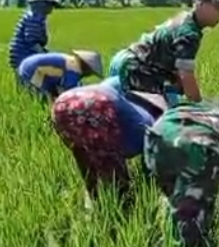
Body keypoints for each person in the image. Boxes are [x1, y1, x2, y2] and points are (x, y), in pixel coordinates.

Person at [143, 99, 219, 247]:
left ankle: (165, 237)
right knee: (190, 239)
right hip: (199, 147)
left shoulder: (184, 109)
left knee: (174, 200)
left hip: (156, 138)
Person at [50, 77, 168, 207]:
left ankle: (93, 195)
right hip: (98, 105)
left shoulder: (131, 105)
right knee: (111, 164)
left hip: (62, 103)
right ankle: (122, 204)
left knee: (81, 151)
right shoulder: (149, 127)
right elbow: (148, 167)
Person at [108, 0, 219, 107]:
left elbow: (178, 71)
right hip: (136, 68)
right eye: (217, 8)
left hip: (123, 60)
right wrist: (199, 108)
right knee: (152, 119)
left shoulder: (183, 18)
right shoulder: (189, 33)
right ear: (200, 4)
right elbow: (186, 74)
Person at [8, 0, 61, 73]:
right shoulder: (35, 18)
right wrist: (45, 55)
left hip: (22, 54)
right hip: (23, 54)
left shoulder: (37, 16)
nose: (51, 7)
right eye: (49, 4)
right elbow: (31, 41)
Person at [17, 50, 103, 100]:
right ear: (86, 68)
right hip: (32, 70)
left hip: (27, 64)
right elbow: (69, 93)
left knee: (50, 93)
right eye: (90, 72)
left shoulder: (71, 60)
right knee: (42, 99)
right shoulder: (74, 70)